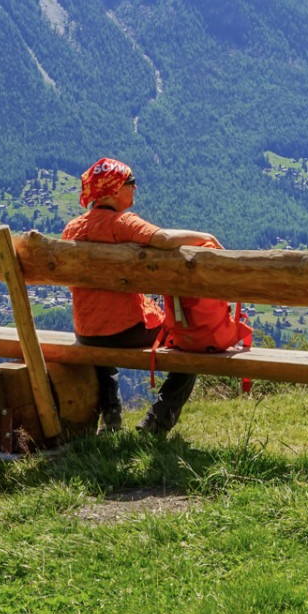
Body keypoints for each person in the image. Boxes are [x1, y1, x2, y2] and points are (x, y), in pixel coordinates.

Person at [62, 157, 223, 434]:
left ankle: (111, 415)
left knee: (103, 340)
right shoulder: (121, 223)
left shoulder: (73, 229)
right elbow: (163, 239)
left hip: (86, 331)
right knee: (190, 342)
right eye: (130, 182)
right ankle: (157, 420)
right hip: (127, 329)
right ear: (113, 191)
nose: (135, 187)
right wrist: (205, 235)